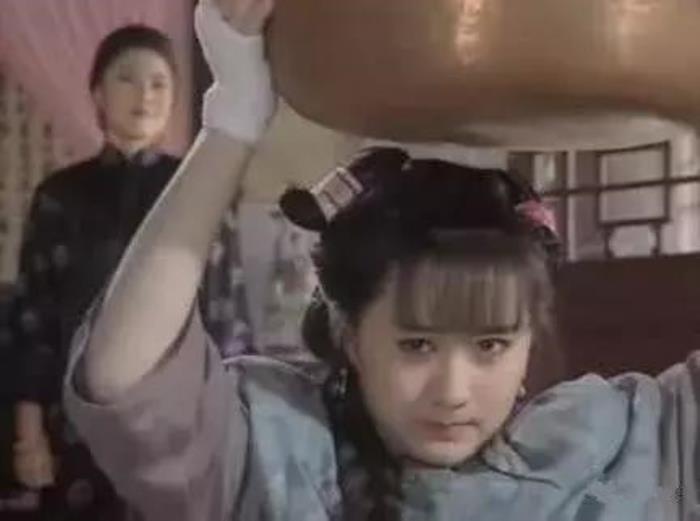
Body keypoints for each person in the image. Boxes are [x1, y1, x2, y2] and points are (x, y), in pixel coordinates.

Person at [62, 0, 700, 520]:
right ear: (350, 336)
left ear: (529, 341)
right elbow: (129, 379)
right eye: (416, 345)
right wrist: (231, 121)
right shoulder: (283, 450)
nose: (453, 392)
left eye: (490, 346)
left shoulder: (603, 450)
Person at [11, 24, 181, 520]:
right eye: (127, 79)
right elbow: (32, 321)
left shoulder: (198, 189)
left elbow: (227, 318)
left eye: (158, 83)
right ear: (98, 95)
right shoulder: (60, 196)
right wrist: (29, 435)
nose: (145, 95)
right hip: (76, 429)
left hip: (177, 427)